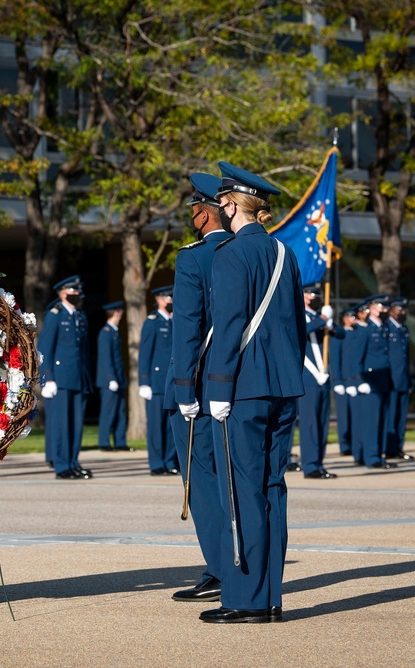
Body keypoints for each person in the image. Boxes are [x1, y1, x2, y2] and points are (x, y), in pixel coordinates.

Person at [201, 161, 306, 624]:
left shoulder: (230, 254)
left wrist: (218, 386)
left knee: (242, 491)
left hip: (243, 388)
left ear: (229, 205)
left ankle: (245, 599)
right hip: (283, 385)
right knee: (272, 489)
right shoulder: (286, 253)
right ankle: (271, 596)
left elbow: (228, 327)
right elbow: (298, 328)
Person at [169, 172, 229, 603]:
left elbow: (188, 330)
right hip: (246, 384)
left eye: (194, 208)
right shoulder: (263, 251)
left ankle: (220, 569)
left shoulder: (194, 258)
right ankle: (247, 564)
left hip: (205, 386)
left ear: (204, 213)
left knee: (204, 482)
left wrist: (184, 390)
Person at [38, 276, 94, 479]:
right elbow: (44, 348)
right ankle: (62, 466)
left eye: (78, 291)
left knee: (76, 425)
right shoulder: (54, 316)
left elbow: (83, 352)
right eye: (73, 291)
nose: (77, 295)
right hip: (60, 379)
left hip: (78, 377)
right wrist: (47, 377)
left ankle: (72, 462)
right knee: (62, 424)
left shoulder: (79, 316)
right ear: (62, 293)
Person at [344, 295, 396, 469]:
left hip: (383, 381)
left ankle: (379, 455)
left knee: (382, 420)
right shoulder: (365, 330)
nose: (384, 310)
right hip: (370, 382)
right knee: (371, 422)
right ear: (372, 308)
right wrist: (359, 380)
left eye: (386, 307)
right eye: (381, 306)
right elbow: (356, 358)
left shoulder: (385, 329)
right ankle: (371, 456)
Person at [298, 282, 339, 479]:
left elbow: (342, 334)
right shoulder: (298, 314)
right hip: (308, 377)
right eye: (310, 294)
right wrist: (323, 319)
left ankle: (319, 463)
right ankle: (310, 464)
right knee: (310, 424)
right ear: (303, 295)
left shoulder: (319, 318)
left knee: (323, 424)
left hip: (323, 377)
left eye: (317, 294)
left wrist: (329, 322)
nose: (314, 297)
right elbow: (300, 332)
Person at [140, 285, 178, 475]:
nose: (171, 301)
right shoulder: (152, 322)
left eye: (172, 298)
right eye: (167, 298)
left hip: (173, 381)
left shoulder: (175, 321)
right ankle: (157, 463)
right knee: (156, 426)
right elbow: (145, 353)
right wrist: (144, 381)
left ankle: (170, 461)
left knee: (172, 426)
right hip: (156, 382)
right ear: (159, 300)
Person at [96, 301, 131, 452]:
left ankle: (120, 442)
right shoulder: (105, 332)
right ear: (116, 313)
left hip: (118, 378)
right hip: (108, 380)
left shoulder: (114, 332)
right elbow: (105, 358)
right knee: (108, 412)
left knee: (120, 413)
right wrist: (110, 377)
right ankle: (104, 442)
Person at [385, 297, 415, 460]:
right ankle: (389, 449)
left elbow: (406, 357)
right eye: (399, 309)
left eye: (404, 309)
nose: (402, 312)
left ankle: (398, 447)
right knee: (391, 416)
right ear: (391, 310)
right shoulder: (386, 328)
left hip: (403, 378)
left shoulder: (404, 329)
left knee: (401, 417)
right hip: (391, 379)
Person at [331, 305, 359, 458]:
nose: (354, 319)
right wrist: (337, 381)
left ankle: (354, 444)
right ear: (344, 319)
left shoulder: (357, 334)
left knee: (355, 417)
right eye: (351, 317)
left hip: (355, 381)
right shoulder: (340, 335)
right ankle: (344, 444)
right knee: (344, 417)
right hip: (343, 381)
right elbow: (335, 359)